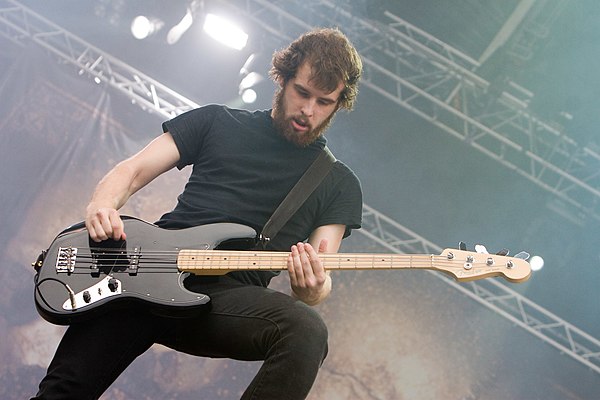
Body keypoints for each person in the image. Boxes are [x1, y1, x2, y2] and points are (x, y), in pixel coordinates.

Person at [33, 27, 363, 400]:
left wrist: (315, 287)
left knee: (306, 330)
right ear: (283, 79)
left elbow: (323, 270)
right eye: (302, 92)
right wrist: (101, 206)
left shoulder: (336, 182)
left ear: (339, 104)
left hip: (226, 301)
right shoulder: (217, 121)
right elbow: (132, 170)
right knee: (60, 393)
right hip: (144, 273)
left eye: (324, 102)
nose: (308, 110)